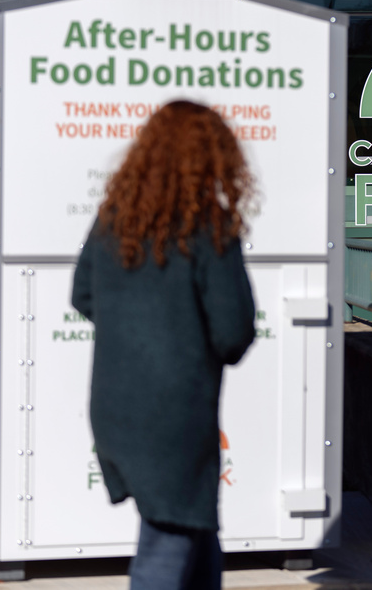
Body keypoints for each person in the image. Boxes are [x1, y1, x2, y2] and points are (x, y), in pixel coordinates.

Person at [71, 100, 256, 590]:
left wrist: (135, 334)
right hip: (175, 415)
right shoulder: (208, 227)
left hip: (114, 407)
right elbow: (233, 332)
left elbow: (82, 294)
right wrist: (179, 343)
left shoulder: (116, 218)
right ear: (213, 159)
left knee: (193, 531)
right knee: (168, 539)